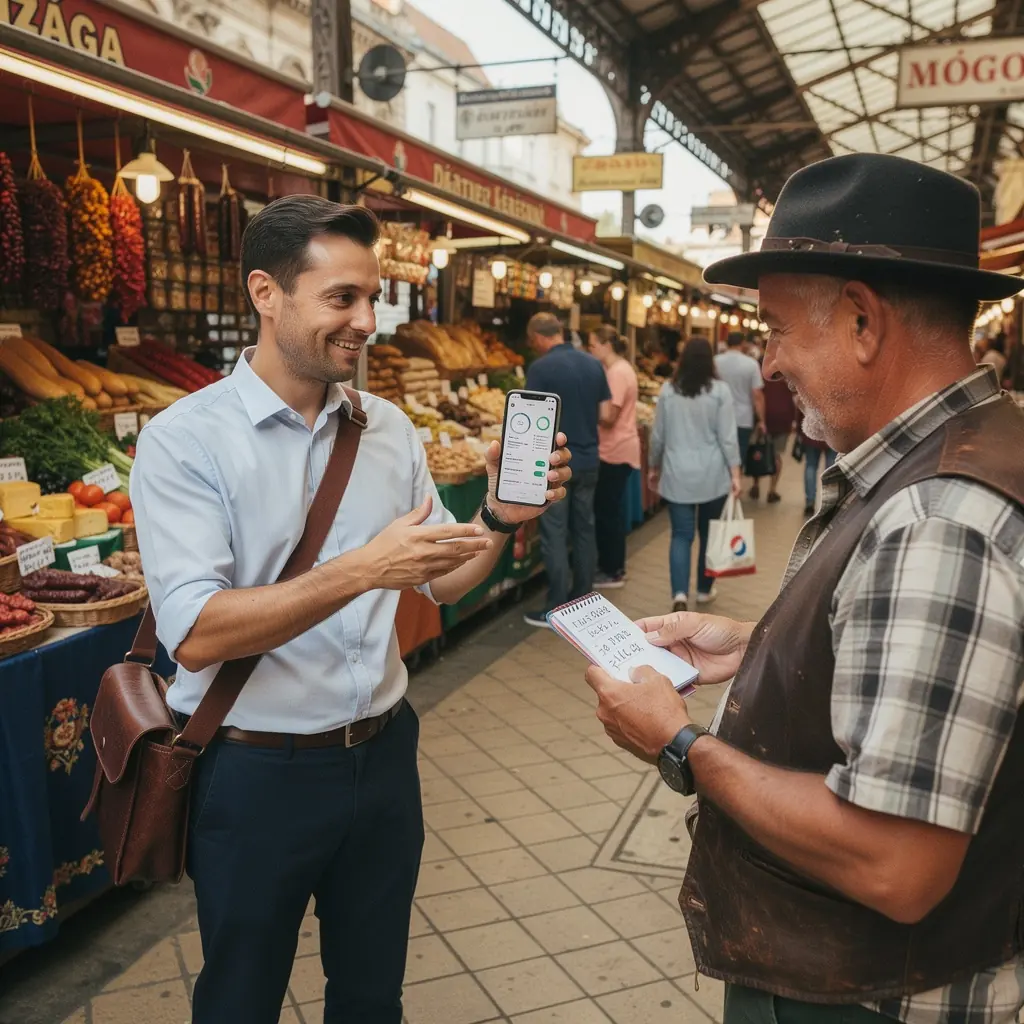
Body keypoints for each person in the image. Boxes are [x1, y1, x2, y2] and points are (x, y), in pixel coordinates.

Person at [583, 154, 1024, 1024]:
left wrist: (679, 743)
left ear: (863, 319)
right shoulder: (964, 450)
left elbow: (895, 862)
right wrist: (762, 645)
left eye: (777, 329)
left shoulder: (937, 518)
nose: (770, 363)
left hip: (870, 998)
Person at [130, 196, 572, 1024]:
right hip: (252, 772)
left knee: (372, 996)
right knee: (239, 1000)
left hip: (383, 756)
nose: (367, 321)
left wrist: (497, 519)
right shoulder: (185, 440)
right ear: (266, 293)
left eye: (372, 297)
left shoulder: (389, 429)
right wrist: (363, 570)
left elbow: (442, 584)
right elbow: (194, 635)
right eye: (342, 298)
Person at [522, 311, 610, 627]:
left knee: (555, 532)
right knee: (585, 528)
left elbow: (530, 418)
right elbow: (604, 413)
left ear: (538, 337)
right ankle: (584, 598)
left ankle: (557, 606)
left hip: (555, 464)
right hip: (589, 458)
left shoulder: (541, 368)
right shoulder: (593, 364)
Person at [649, 337, 741, 612]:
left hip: (677, 473)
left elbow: (658, 435)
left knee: (681, 535)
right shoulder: (720, 391)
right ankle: (703, 590)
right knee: (709, 534)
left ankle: (679, 595)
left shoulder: (668, 390)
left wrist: (653, 466)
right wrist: (736, 472)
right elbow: (728, 437)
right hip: (712, 474)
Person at [589, 325, 642, 588]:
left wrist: (586, 410)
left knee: (607, 513)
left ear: (606, 345)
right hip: (619, 448)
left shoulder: (617, 373)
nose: (590, 350)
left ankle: (611, 571)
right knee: (611, 511)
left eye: (592, 345)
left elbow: (609, 417)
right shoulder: (620, 369)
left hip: (614, 450)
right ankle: (614, 567)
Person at [715, 330, 765, 470]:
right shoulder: (751, 364)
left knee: (719, 456)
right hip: (743, 418)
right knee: (739, 456)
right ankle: (735, 480)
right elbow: (757, 395)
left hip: (719, 416)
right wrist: (761, 420)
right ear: (743, 344)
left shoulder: (715, 361)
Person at [757, 375, 797, 503]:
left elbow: (757, 396)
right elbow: (795, 399)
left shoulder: (762, 376)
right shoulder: (788, 376)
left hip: (764, 416)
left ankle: (755, 485)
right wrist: (794, 420)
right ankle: (772, 490)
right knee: (776, 455)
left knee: (758, 452)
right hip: (783, 419)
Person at [798, 412, 837, 516]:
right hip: (832, 433)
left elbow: (800, 408)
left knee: (810, 466)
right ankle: (830, 502)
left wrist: (799, 430)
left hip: (812, 433)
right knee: (831, 469)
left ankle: (810, 502)